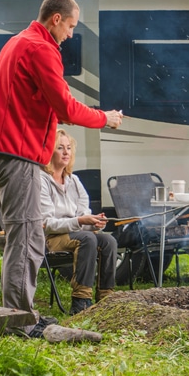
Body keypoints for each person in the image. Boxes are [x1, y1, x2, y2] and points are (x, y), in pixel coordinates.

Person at [0, 0, 123, 338]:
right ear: (55, 19)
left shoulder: (17, 42)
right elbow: (67, 108)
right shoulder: (41, 49)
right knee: (27, 238)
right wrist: (105, 118)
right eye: (71, 26)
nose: (71, 34)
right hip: (16, 152)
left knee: (21, 236)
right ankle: (18, 321)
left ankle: (20, 313)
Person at [40, 129, 117, 315]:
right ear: (49, 151)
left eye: (69, 148)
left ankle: (106, 297)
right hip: (50, 238)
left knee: (109, 241)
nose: (66, 152)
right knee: (87, 239)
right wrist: (80, 221)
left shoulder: (74, 180)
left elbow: (84, 213)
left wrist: (94, 223)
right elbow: (47, 223)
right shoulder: (41, 179)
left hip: (75, 233)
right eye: (60, 148)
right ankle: (81, 301)